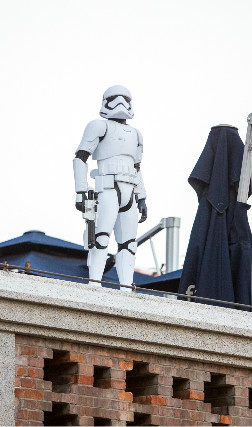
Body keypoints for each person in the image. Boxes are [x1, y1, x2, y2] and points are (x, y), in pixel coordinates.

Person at [72, 85, 147, 290]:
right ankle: (95, 283)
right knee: (100, 237)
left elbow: (137, 168)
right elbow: (80, 157)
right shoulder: (99, 126)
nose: (120, 103)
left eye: (125, 99)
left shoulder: (136, 134)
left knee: (129, 243)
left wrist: (142, 196)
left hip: (129, 189)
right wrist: (81, 191)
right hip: (107, 187)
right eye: (115, 98)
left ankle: (126, 288)